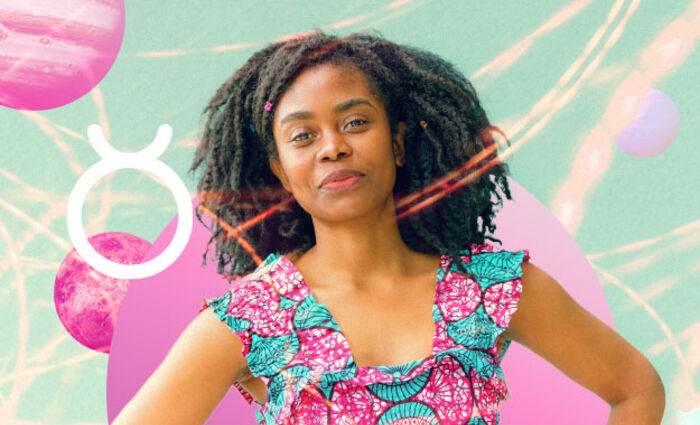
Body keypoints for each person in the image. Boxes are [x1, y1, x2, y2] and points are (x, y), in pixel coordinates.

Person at [112, 31, 665, 425]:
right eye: (303, 136)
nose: (333, 146)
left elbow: (637, 390)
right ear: (279, 170)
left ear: (398, 142)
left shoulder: (492, 290)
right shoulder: (250, 320)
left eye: (355, 122)